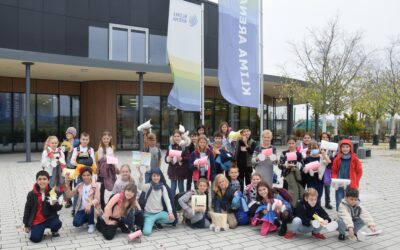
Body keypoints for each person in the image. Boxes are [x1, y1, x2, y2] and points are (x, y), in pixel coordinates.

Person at [23, 171, 62, 243]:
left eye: (44, 179)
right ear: (37, 181)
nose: (42, 181)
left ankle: (54, 231)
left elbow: (58, 208)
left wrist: (54, 204)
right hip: (37, 220)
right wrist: (26, 224)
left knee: (57, 223)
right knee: (35, 239)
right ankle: (37, 231)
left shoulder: (52, 192)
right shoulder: (31, 194)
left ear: (48, 180)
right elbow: (27, 209)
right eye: (40, 179)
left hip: (49, 218)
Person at [139, 168, 175, 236]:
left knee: (172, 219)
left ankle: (156, 221)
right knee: (146, 232)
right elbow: (140, 187)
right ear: (151, 177)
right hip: (149, 214)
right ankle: (151, 222)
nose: (156, 178)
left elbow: (167, 200)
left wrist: (170, 212)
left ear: (160, 176)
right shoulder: (148, 186)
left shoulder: (162, 187)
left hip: (159, 213)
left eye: (158, 176)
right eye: (154, 176)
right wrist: (140, 178)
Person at [64, 167, 101, 234]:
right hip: (82, 210)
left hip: (92, 208)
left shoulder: (96, 185)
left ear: (91, 175)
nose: (86, 177)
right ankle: (87, 219)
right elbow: (69, 195)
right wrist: (67, 183)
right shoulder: (80, 185)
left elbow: (97, 199)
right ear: (81, 176)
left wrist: (90, 204)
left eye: (88, 175)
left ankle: (91, 224)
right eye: (84, 175)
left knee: (90, 208)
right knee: (76, 223)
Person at [331, 139, 363, 211]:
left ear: (350, 148)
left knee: (352, 199)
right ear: (340, 148)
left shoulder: (355, 159)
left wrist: (356, 181)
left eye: (347, 147)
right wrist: (335, 179)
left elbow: (359, 171)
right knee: (339, 199)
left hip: (351, 184)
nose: (345, 149)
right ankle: (340, 214)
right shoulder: (337, 159)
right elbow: (334, 171)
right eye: (343, 147)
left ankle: (352, 213)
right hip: (340, 182)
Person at [69, 132, 96, 216]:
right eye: (83, 139)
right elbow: (72, 161)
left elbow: (93, 162)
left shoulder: (91, 149)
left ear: (89, 140)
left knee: (89, 191)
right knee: (77, 192)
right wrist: (80, 165)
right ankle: (74, 209)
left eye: (86, 139)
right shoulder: (76, 149)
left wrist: (95, 173)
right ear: (80, 140)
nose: (85, 141)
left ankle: (87, 206)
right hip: (79, 174)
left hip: (88, 174)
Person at [278, 136, 304, 208]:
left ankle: (294, 207)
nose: (291, 145)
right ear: (287, 143)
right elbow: (279, 165)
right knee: (286, 193)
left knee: (295, 193)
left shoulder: (299, 154)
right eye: (289, 143)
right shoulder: (284, 153)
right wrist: (286, 166)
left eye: (293, 143)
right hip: (286, 177)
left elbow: (302, 165)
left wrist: (296, 168)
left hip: (296, 177)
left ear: (296, 144)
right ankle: (287, 208)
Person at [96, 131, 119, 210]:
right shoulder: (100, 149)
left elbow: (113, 160)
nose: (106, 140)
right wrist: (106, 159)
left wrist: (116, 168)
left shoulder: (110, 148)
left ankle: (112, 204)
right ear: (102, 139)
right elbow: (99, 161)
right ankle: (102, 206)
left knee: (113, 188)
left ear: (110, 139)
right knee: (101, 191)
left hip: (110, 172)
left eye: (107, 138)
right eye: (104, 138)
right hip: (103, 173)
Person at [166, 129, 190, 195]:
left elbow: (188, 157)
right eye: (175, 136)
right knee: (173, 187)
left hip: (181, 171)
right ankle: (172, 202)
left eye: (178, 136)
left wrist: (182, 159)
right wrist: (168, 159)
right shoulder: (170, 146)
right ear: (172, 137)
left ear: (181, 137)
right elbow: (166, 158)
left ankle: (181, 202)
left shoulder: (184, 146)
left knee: (181, 187)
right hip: (172, 170)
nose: (176, 138)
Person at [62, 127, 79, 208]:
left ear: (73, 135)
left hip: (75, 167)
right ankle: (68, 201)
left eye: (70, 133)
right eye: (67, 133)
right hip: (67, 166)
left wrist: (71, 147)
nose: (68, 134)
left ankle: (76, 201)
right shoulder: (64, 142)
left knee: (76, 185)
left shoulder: (77, 142)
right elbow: (61, 151)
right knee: (67, 185)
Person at [236, 127, 256, 191]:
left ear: (250, 132)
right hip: (240, 164)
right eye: (244, 131)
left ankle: (248, 195)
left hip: (248, 164)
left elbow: (251, 152)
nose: (246, 133)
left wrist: (246, 144)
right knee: (240, 181)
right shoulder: (239, 141)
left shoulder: (253, 142)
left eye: (247, 131)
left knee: (248, 181)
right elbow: (237, 152)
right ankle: (241, 194)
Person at [320, 132, 335, 209]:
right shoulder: (319, 148)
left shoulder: (332, 149)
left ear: (329, 139)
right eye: (323, 137)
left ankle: (327, 203)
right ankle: (318, 203)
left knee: (327, 187)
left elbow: (333, 160)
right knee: (319, 187)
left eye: (326, 137)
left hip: (328, 170)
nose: (325, 138)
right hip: (319, 169)